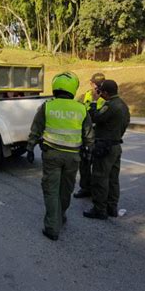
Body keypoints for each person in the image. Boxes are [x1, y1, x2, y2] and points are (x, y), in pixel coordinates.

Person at [26, 72, 94, 241]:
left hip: (52, 155)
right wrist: (89, 150)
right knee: (66, 189)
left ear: (55, 87)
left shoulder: (47, 106)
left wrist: (30, 148)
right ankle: (61, 215)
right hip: (73, 157)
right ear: (73, 88)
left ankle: (51, 228)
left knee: (51, 190)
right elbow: (89, 134)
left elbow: (36, 129)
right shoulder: (81, 108)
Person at [83, 80, 130, 220]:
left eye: (101, 92)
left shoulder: (110, 105)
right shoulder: (123, 105)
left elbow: (94, 117)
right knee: (113, 179)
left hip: (105, 146)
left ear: (105, 93)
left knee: (100, 178)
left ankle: (99, 209)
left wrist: (93, 102)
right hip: (116, 145)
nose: (100, 94)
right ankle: (112, 207)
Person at [74, 73, 106, 199]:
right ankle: (85, 187)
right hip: (87, 132)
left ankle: (96, 190)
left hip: (98, 133)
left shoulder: (105, 96)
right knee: (84, 163)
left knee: (98, 165)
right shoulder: (87, 94)